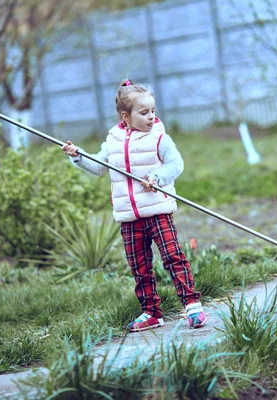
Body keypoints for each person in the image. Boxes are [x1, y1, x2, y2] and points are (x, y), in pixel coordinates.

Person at [61, 79, 206, 332]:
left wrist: (157, 177)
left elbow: (176, 165)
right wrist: (78, 155)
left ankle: (192, 304)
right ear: (125, 116)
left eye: (153, 111)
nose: (151, 117)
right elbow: (98, 167)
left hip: (157, 211)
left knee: (173, 258)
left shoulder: (159, 138)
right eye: (144, 112)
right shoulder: (113, 140)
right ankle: (151, 312)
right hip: (128, 215)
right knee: (139, 267)